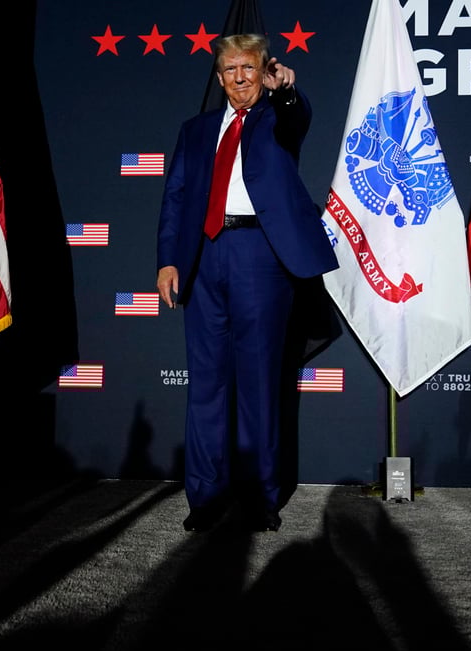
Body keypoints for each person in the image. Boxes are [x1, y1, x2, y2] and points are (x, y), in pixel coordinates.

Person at [156, 34, 338, 532]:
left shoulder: (277, 119)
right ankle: (207, 495)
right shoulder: (194, 130)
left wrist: (286, 92)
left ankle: (262, 495)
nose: (240, 77)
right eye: (231, 69)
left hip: (261, 255)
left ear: (263, 73)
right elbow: (175, 197)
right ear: (219, 77)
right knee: (207, 385)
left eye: (250, 68)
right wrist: (169, 261)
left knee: (260, 383)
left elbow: (298, 115)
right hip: (203, 257)